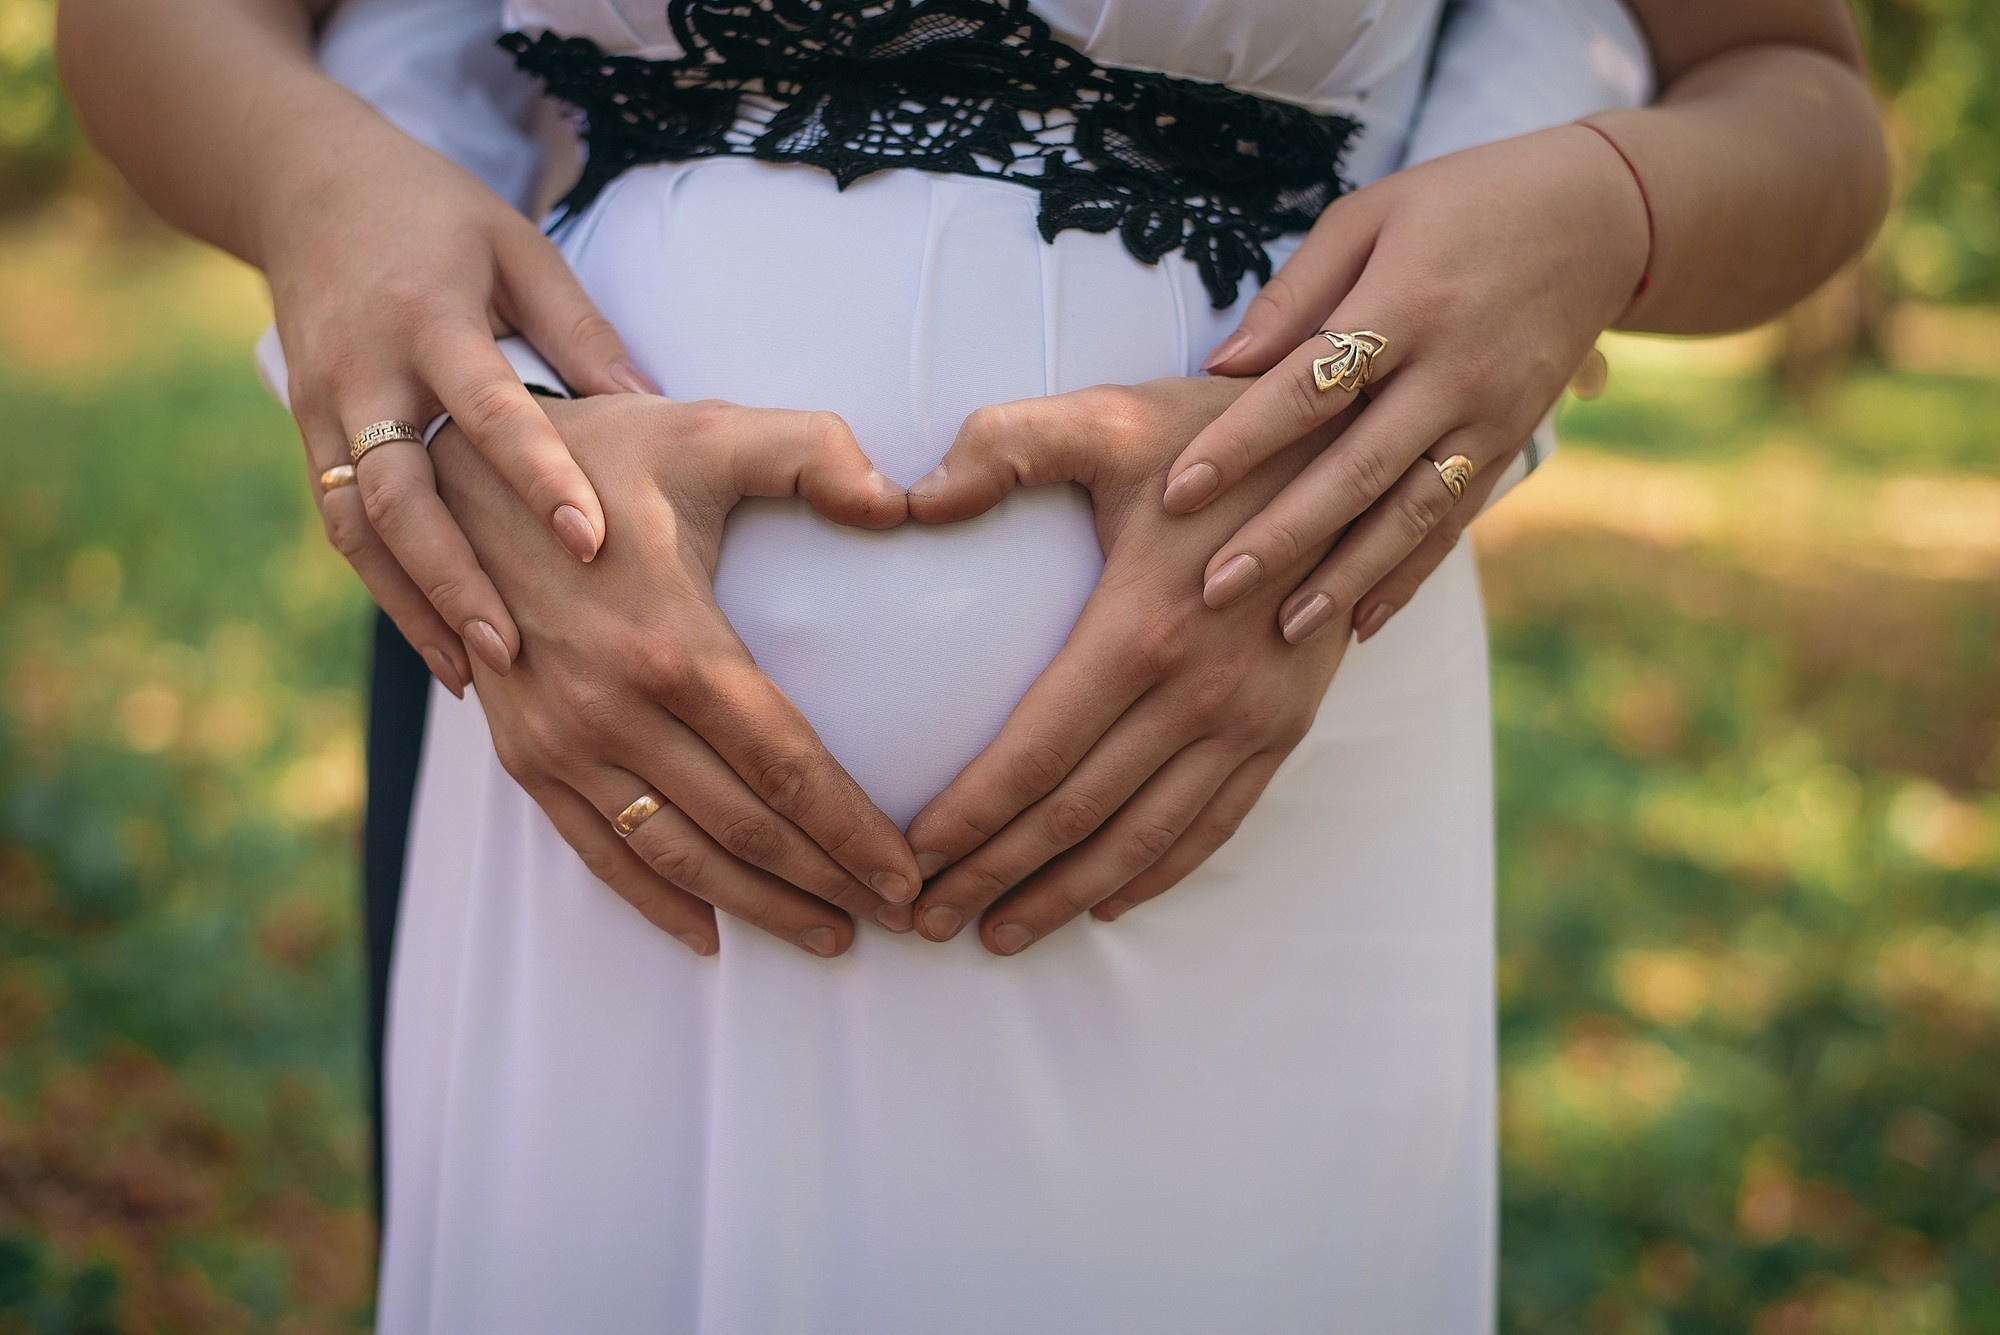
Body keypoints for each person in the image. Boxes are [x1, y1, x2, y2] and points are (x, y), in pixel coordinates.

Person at [57, 0, 1885, 1328]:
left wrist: (1598, 213)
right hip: (583, 718)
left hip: (1267, 738)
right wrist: (328, 211)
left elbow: (1793, 94)